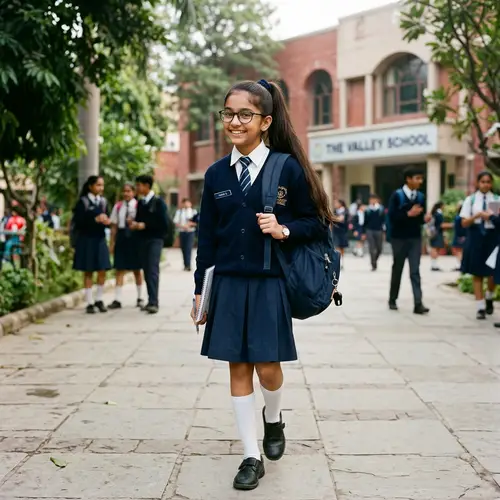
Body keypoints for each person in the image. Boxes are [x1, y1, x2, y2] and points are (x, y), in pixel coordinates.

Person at [191, 79, 332, 491]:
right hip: (230, 285)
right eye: (228, 114)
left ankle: (274, 419)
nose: (234, 122)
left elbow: (316, 223)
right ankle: (250, 455)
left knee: (269, 370)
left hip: (270, 284)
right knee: (238, 368)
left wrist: (284, 230)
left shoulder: (286, 167)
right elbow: (207, 238)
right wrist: (201, 289)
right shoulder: (216, 173)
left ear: (265, 121)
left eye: (245, 115)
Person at [388, 167, 430, 314]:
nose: (420, 181)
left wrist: (424, 218)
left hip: (415, 238)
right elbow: (392, 217)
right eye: (417, 178)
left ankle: (418, 303)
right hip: (399, 238)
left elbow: (420, 218)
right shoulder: (397, 196)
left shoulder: (420, 197)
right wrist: (408, 214)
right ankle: (392, 299)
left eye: (421, 179)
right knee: (397, 268)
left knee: (415, 271)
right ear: (408, 179)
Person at [459, 171, 497, 320]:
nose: (486, 184)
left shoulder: (496, 199)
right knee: (477, 273)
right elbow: (463, 222)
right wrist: (476, 216)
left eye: (488, 182)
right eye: (483, 182)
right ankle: (480, 307)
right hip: (475, 236)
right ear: (478, 183)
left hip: (492, 237)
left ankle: (489, 296)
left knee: (493, 272)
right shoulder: (471, 200)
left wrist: (491, 216)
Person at [72, 175, 112, 314]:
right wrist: (94, 219)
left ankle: (99, 299)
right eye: (98, 185)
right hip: (87, 239)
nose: (100, 188)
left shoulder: (104, 202)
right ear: (90, 186)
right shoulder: (82, 202)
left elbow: (109, 218)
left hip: (100, 239)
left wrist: (107, 221)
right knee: (88, 270)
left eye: (102, 185)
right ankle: (89, 301)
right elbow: (78, 221)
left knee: (102, 270)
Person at [130, 174, 169, 314]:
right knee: (146, 270)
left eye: (139, 185)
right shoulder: (140, 203)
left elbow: (164, 225)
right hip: (142, 241)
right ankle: (150, 299)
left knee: (152, 270)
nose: (137, 188)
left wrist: (145, 225)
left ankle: (154, 302)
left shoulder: (159, 203)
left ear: (146, 186)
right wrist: (135, 225)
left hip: (155, 240)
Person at [108, 183, 144, 310]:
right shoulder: (118, 206)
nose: (126, 193)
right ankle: (117, 299)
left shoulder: (139, 205)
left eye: (129, 191)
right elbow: (114, 226)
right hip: (122, 237)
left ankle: (140, 297)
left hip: (135, 238)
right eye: (124, 191)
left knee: (137, 269)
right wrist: (111, 243)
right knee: (119, 268)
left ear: (133, 192)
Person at [174, 198, 197, 271]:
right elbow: (176, 222)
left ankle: (188, 265)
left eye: (188, 202)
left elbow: (197, 222)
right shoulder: (179, 212)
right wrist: (183, 226)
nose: (186, 204)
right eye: (185, 203)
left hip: (190, 232)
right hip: (182, 232)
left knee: (188, 248)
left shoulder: (194, 212)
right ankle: (185, 264)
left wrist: (190, 225)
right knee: (183, 248)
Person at [364, 193, 385, 271]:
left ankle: (375, 259)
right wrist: (363, 232)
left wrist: (384, 231)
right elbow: (365, 221)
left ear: (377, 200)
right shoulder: (367, 210)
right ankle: (373, 264)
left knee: (379, 248)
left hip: (379, 230)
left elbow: (384, 220)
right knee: (371, 248)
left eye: (374, 199)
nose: (372, 201)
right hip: (369, 230)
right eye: (371, 199)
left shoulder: (381, 209)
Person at [428, 201, 448, 271]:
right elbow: (441, 225)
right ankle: (434, 265)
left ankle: (434, 264)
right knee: (435, 248)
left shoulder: (434, 213)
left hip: (434, 233)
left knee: (435, 248)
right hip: (437, 233)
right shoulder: (439, 214)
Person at [333, 200, 349, 268]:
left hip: (342, 231)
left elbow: (342, 220)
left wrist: (335, 219)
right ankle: (337, 261)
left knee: (341, 247)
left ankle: (342, 262)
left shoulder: (345, 211)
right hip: (335, 230)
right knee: (336, 246)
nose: (335, 204)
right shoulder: (335, 211)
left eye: (336, 203)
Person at [451, 201, 466, 271]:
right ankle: (461, 264)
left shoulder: (458, 217)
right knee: (460, 251)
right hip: (463, 236)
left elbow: (457, 228)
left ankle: (461, 265)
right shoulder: (464, 217)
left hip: (459, 236)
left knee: (459, 251)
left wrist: (461, 236)